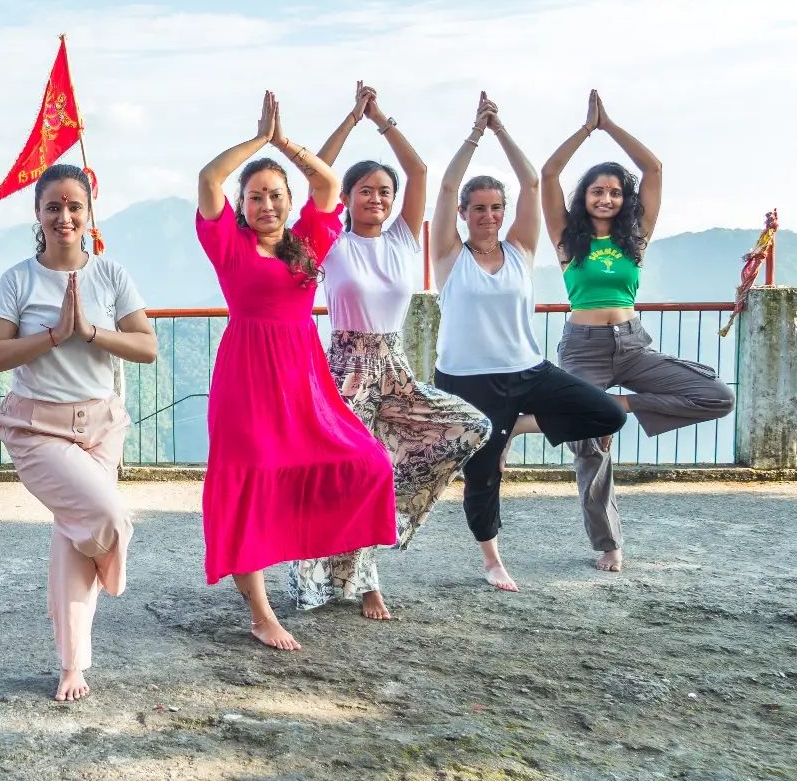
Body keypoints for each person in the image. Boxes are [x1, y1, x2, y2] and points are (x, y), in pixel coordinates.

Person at [195, 91, 396, 651]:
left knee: (367, 461)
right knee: (251, 484)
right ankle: (260, 612)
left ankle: (338, 569)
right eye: (256, 197)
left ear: (288, 201)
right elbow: (210, 179)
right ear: (244, 205)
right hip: (246, 378)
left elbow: (329, 187)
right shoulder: (230, 246)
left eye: (276, 196)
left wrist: (287, 145)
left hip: (302, 378)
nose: (266, 205)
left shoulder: (307, 243)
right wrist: (259, 142)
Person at [289, 83, 490, 620]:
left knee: (470, 427)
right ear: (347, 198)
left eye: (383, 191)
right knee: (352, 472)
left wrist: (381, 118)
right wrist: (350, 119)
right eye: (364, 191)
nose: (375, 198)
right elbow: (317, 176)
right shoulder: (331, 240)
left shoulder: (403, 238)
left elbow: (420, 171)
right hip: (344, 370)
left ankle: (374, 550)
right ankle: (364, 583)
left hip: (394, 368)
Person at [430, 93, 627, 592]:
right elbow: (449, 181)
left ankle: (514, 427)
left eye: (497, 208)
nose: (490, 216)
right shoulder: (450, 255)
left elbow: (533, 181)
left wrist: (501, 130)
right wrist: (476, 134)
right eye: (479, 209)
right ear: (463, 212)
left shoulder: (520, 249)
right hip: (467, 380)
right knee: (482, 478)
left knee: (608, 415)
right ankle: (492, 560)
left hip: (527, 371)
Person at [0, 163, 158, 702]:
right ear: (38, 212)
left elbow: (147, 347)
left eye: (74, 206)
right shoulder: (18, 279)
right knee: (104, 518)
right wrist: (55, 335)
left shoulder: (110, 275)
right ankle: (117, 561)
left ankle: (71, 665)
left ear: (88, 213)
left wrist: (91, 331)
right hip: (38, 428)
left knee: (72, 539)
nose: (64, 216)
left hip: (101, 425)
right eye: (53, 207)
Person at [541, 90, 733, 573]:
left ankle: (617, 409)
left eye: (614, 192)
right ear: (584, 198)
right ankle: (608, 544)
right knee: (589, 452)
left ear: (624, 200)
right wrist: (586, 130)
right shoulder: (568, 239)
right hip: (583, 351)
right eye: (597, 191)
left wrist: (611, 126)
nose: (606, 198)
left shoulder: (635, 239)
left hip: (632, 345)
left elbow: (654, 170)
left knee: (717, 395)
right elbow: (547, 174)